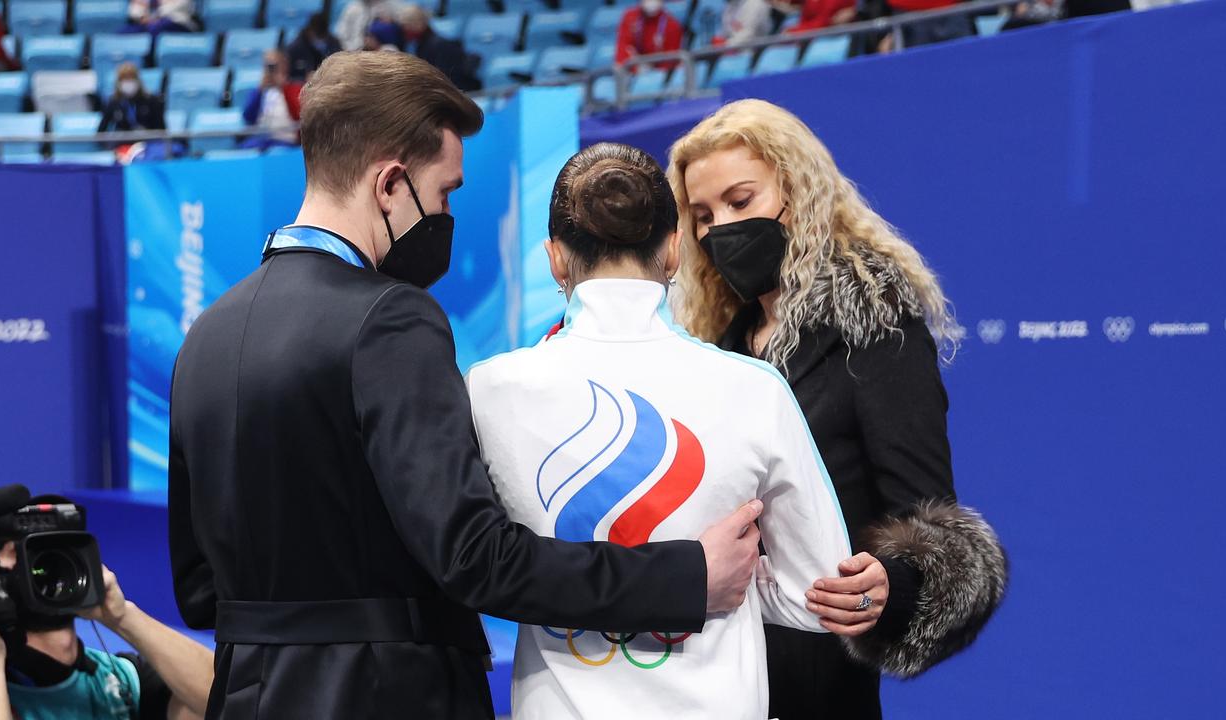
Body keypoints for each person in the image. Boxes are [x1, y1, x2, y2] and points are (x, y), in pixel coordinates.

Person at [167, 51, 762, 720]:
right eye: (444, 191)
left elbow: (196, 588)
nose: (446, 213)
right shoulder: (390, 316)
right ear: (391, 182)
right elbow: (474, 558)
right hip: (387, 696)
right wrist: (684, 578)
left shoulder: (204, 336)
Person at [466, 143, 851, 719]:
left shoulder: (490, 388)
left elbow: (471, 563)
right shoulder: (754, 388)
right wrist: (726, 579)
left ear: (555, 261)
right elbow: (820, 591)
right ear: (674, 252)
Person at [669, 99, 1008, 719]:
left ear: (797, 193)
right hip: (714, 668)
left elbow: (932, 519)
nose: (719, 228)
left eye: (741, 201)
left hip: (816, 673)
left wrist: (889, 586)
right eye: (702, 215)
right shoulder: (717, 348)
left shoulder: (874, 327)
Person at [0, 522, 214, 718]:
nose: (47, 573)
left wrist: (123, 617)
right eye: (19, 554)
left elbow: (226, 702)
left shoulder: (116, 680)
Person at [396, 4, 480, 91]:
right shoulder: (420, 45)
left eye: (407, 25)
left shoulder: (440, 44)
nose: (405, 30)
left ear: (419, 23)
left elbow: (447, 79)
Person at [240, 49, 301, 148]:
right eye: (268, 66)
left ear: (284, 66)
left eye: (274, 66)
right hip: (262, 139)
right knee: (245, 148)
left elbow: (298, 115)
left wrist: (283, 87)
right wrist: (260, 91)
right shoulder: (258, 91)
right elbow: (248, 117)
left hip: (286, 139)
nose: (271, 70)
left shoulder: (294, 89)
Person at [98, 62, 166, 133]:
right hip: (123, 142)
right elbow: (101, 132)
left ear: (138, 81)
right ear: (118, 83)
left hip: (148, 142)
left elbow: (161, 131)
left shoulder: (152, 100)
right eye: (125, 79)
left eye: (131, 79)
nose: (128, 83)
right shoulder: (113, 102)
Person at [615, 0, 684, 70]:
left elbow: (671, 62)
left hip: (658, 74)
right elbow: (621, 55)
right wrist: (638, 68)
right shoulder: (630, 17)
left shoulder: (672, 25)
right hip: (634, 72)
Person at [285, 13, 339, 81]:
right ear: (310, 31)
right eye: (317, 35)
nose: (320, 40)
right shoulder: (294, 48)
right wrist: (304, 78)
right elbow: (286, 76)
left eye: (323, 36)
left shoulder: (334, 44)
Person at [336, 0, 401, 51]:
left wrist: (391, 20)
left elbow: (402, 19)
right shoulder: (352, 9)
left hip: (378, 49)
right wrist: (363, 43)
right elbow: (342, 35)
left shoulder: (386, 6)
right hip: (354, 51)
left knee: (391, 49)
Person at [124, 0, 198, 35]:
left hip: (177, 23)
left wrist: (154, 7)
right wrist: (142, 16)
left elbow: (181, 6)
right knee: (124, 32)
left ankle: (150, 62)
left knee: (155, 28)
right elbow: (135, 9)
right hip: (146, 22)